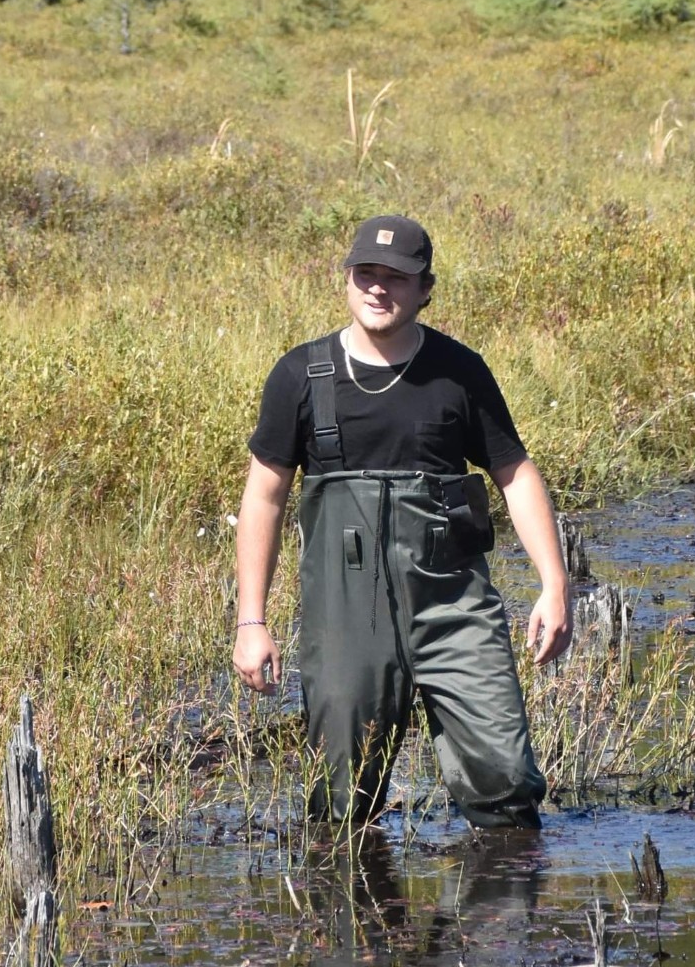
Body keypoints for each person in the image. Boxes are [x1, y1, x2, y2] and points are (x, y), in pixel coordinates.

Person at [233, 214, 571, 828]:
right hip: (346, 616)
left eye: (396, 277)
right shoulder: (300, 377)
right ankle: (352, 917)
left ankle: (506, 919)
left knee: (506, 790)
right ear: (347, 280)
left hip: (452, 608)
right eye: (366, 273)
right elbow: (264, 499)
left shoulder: (459, 372)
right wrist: (251, 622)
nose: (378, 289)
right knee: (340, 806)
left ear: (425, 289)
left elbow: (516, 474)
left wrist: (554, 585)